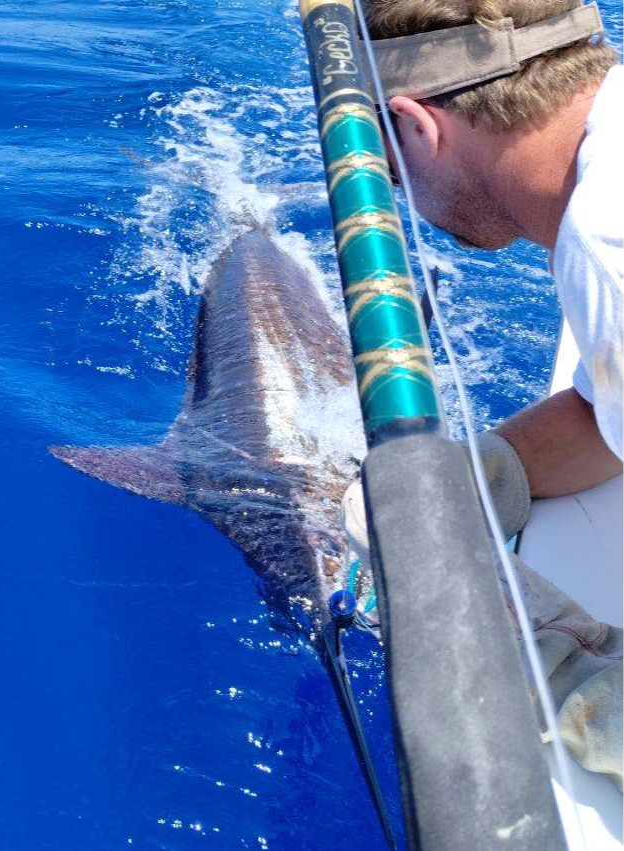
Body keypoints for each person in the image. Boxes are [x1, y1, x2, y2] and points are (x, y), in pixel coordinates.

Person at [341, 0, 624, 792]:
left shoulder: (606, 251)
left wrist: (567, 671)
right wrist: (466, 486)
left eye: (383, 167)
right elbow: (604, 419)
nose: (397, 191)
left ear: (415, 125)